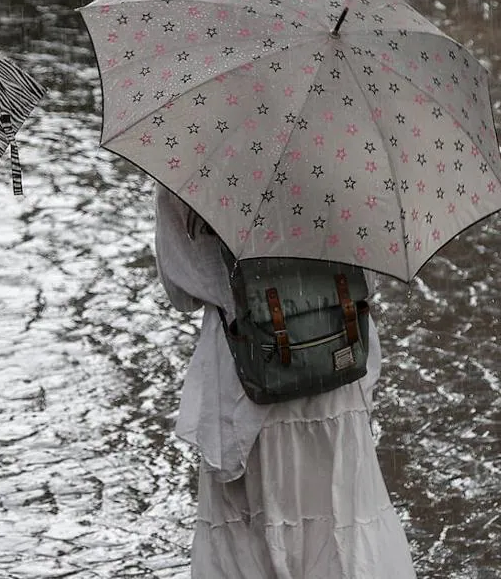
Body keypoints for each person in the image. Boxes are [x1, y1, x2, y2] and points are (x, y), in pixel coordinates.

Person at [153, 185, 417, 578]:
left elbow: (180, 288)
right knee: (342, 516)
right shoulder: (348, 148)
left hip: (246, 377)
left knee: (255, 532)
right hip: (334, 358)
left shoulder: (191, 159)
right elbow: (371, 275)